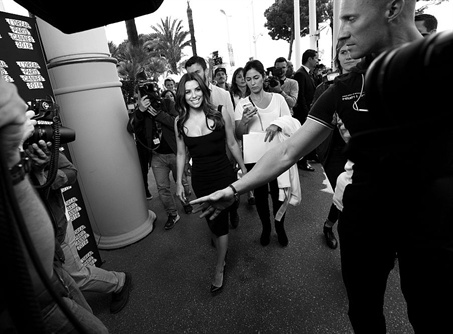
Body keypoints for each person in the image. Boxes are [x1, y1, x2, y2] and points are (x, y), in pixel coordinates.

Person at [190, 1, 453, 333]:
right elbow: (288, 150)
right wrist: (233, 188)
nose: (341, 32)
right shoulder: (342, 89)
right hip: (366, 218)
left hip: (435, 221)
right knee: (364, 315)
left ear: (393, 8)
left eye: (350, 18)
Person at [0, 14, 108, 333]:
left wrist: (29, 169)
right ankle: (117, 283)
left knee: (76, 293)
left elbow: (69, 173)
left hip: (51, 233)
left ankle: (116, 284)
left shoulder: (20, 140)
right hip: (21, 287)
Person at [26, 140, 131, 314]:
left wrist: (44, 175)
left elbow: (71, 173)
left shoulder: (37, 144)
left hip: (55, 229)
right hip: (27, 238)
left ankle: (118, 281)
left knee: (75, 276)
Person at [174, 72, 247, 294]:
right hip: (201, 179)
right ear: (182, 95)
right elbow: (180, 154)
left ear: (204, 90)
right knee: (212, 219)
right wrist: (179, 183)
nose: (194, 95)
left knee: (219, 223)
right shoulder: (179, 121)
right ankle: (227, 223)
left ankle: (219, 266)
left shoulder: (219, 113)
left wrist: (245, 171)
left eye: (197, 89)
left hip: (224, 174)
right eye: (188, 91)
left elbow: (232, 143)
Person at [234, 59, 292, 247]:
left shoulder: (278, 99)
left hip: (277, 155)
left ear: (264, 77)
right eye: (248, 79)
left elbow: (291, 123)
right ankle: (266, 227)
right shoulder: (242, 103)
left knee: (278, 193)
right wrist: (243, 121)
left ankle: (279, 226)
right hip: (254, 156)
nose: (252, 82)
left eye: (256, 77)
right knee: (260, 196)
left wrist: (277, 124)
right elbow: (238, 134)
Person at [312, 40, 361, 250]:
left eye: (353, 51)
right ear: (337, 58)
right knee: (344, 192)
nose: (349, 56)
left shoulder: (370, 82)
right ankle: (332, 228)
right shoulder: (326, 87)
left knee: (359, 196)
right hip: (334, 151)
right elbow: (313, 120)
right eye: (343, 52)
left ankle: (330, 224)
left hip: (361, 152)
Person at [185, 56, 239, 228]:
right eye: (189, 74)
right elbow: (187, 131)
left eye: (197, 72)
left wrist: (234, 159)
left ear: (206, 71)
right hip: (203, 160)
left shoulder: (222, 94)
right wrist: (186, 159)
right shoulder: (189, 96)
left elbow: (230, 131)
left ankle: (233, 210)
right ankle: (216, 229)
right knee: (209, 195)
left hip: (224, 156)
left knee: (230, 193)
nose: (193, 77)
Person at [133, 84, 193, 230]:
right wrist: (140, 111)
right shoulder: (141, 110)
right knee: (162, 188)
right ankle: (173, 214)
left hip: (174, 152)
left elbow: (177, 122)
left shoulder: (167, 103)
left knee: (182, 181)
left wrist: (158, 114)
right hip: (157, 156)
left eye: (152, 92)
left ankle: (186, 202)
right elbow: (131, 128)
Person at [230, 67, 255, 206]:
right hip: (236, 131)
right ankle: (237, 190)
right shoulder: (231, 95)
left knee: (249, 162)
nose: (242, 79)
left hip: (251, 131)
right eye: (238, 77)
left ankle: (251, 192)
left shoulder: (254, 93)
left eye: (243, 76)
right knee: (238, 163)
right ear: (235, 80)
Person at [293, 49, 319, 172]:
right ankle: (302, 162)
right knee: (303, 139)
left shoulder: (308, 73)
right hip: (303, 114)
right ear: (309, 59)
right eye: (316, 58)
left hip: (309, 111)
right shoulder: (300, 74)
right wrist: (307, 114)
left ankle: (309, 157)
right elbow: (301, 96)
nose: (317, 61)